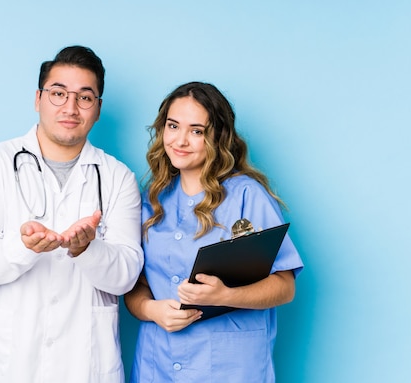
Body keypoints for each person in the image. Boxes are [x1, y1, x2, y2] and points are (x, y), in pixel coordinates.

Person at [0, 45, 143, 383]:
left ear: (97, 109)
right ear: (38, 99)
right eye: (58, 93)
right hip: (6, 364)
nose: (70, 107)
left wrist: (87, 249)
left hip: (85, 365)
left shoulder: (117, 177)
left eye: (85, 97)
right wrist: (23, 247)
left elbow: (126, 275)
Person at [124, 81, 304, 382]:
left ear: (217, 137)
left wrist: (226, 295)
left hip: (230, 367)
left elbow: (285, 286)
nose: (180, 140)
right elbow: (134, 285)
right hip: (158, 364)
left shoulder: (247, 195)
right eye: (172, 126)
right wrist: (151, 309)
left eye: (197, 131)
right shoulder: (152, 200)